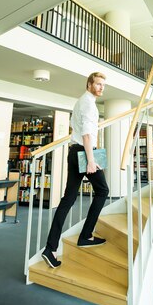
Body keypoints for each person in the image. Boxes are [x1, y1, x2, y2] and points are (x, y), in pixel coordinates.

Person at [42, 72, 109, 269]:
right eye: (97, 84)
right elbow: (87, 136)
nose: (101, 88)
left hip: (75, 151)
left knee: (68, 199)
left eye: (103, 85)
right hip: (84, 152)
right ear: (89, 84)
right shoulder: (88, 104)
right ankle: (86, 235)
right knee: (103, 191)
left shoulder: (82, 101)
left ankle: (50, 248)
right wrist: (90, 160)